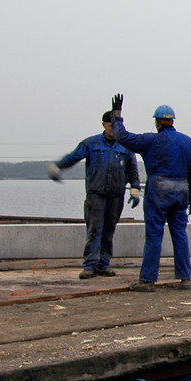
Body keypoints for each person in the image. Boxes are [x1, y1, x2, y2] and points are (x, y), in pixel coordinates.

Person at [108, 94, 191, 291]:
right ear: (172, 121)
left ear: (157, 122)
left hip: (158, 192)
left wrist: (117, 117)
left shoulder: (151, 141)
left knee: (154, 235)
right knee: (179, 234)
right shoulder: (187, 142)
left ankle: (147, 280)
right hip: (181, 191)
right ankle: (185, 278)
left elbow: (122, 137)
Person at [48, 111, 142, 279]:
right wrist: (58, 166)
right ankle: (90, 265)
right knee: (94, 229)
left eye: (115, 126)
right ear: (103, 125)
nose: (112, 129)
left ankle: (104, 264)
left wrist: (135, 188)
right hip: (96, 194)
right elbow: (73, 157)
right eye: (109, 125)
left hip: (116, 194)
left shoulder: (125, 146)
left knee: (109, 230)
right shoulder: (91, 143)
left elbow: (132, 169)